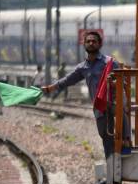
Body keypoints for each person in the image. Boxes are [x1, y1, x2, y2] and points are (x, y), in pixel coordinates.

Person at [41, 31, 131, 159]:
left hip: (114, 100)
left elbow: (123, 82)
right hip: (99, 105)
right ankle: (111, 169)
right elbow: (67, 80)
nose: (91, 43)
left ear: (99, 44)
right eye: (88, 41)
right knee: (105, 136)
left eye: (94, 41)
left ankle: (127, 140)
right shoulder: (82, 67)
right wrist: (51, 88)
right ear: (84, 44)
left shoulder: (110, 62)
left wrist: (113, 83)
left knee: (119, 112)